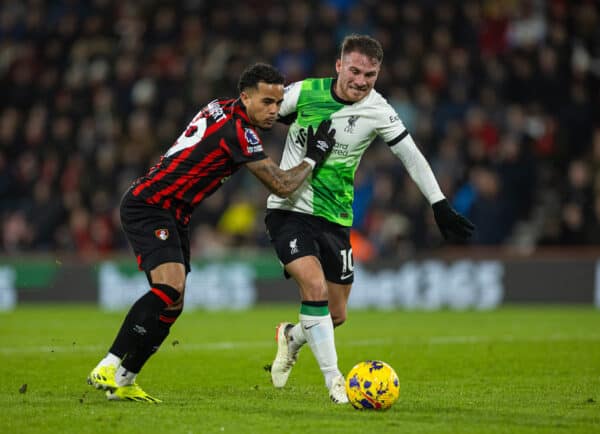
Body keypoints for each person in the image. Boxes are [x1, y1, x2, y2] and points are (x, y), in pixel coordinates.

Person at [87, 63, 336, 403]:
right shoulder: (238, 133)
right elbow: (281, 186)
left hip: (173, 212)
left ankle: (125, 380)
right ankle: (110, 363)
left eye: (279, 104)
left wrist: (290, 117)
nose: (274, 111)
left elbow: (258, 119)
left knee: (173, 305)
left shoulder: (222, 106)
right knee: (168, 287)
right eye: (267, 102)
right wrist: (313, 157)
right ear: (245, 97)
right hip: (150, 205)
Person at [265, 35, 474, 404]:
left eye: (370, 75)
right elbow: (256, 114)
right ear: (339, 65)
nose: (361, 81)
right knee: (313, 288)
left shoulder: (378, 109)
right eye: (355, 71)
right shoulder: (303, 93)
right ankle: (336, 383)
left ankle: (291, 337)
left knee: (336, 314)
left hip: (336, 218)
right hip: (290, 210)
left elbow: (411, 155)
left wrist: (438, 203)